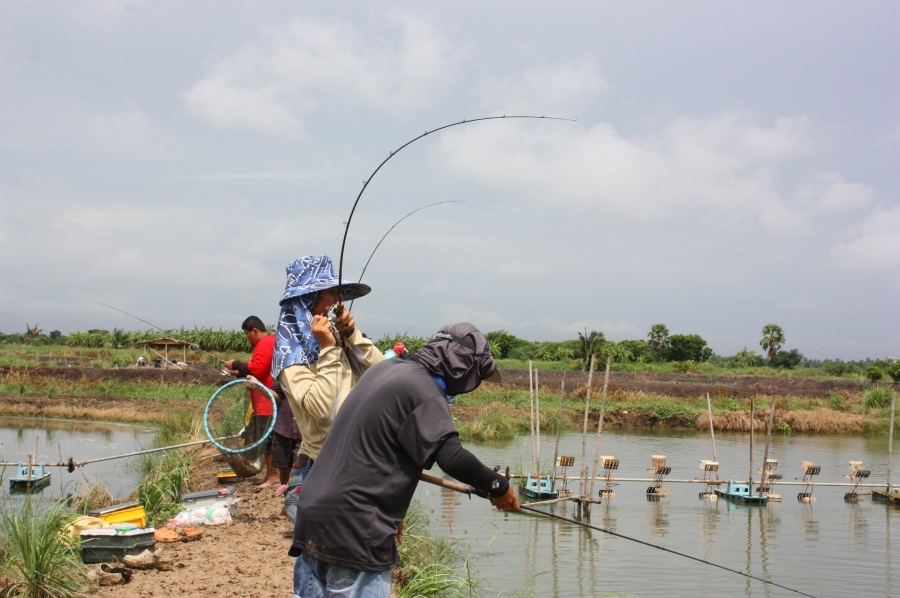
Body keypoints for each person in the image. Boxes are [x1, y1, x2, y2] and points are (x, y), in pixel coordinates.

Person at [289, 322, 519, 598]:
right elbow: (452, 457)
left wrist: (390, 512)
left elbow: (378, 449)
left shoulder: (389, 369)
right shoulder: (424, 390)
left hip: (315, 513)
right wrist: (498, 486)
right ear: (463, 368)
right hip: (355, 528)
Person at [271, 255, 383, 507]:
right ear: (309, 299)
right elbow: (323, 411)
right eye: (331, 292)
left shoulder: (329, 340)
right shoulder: (291, 355)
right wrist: (330, 350)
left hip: (350, 461)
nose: (336, 301)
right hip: (321, 469)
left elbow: (381, 374)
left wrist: (352, 335)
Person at [224, 315, 279, 486]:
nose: (247, 338)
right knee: (266, 439)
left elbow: (257, 368)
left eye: (247, 333)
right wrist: (240, 373)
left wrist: (235, 364)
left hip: (267, 402)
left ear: (254, 331)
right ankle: (269, 475)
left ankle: (272, 477)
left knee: (267, 440)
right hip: (264, 400)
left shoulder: (265, 343)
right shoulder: (270, 341)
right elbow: (258, 371)